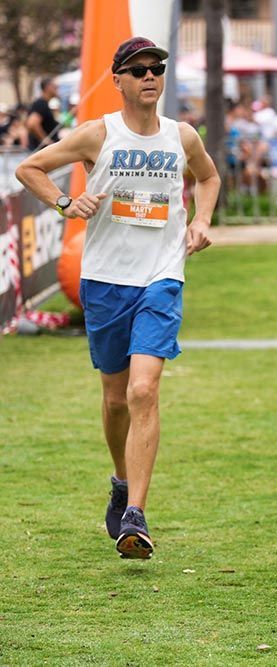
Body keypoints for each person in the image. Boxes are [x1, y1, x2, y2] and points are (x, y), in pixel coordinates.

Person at [15, 37, 220, 558]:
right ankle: (121, 481)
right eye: (139, 70)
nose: (150, 77)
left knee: (143, 391)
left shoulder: (182, 135)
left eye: (157, 69)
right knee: (114, 398)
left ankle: (137, 515)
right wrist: (66, 200)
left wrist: (201, 220)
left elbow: (210, 176)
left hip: (162, 277)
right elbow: (29, 169)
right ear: (120, 80)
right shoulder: (97, 133)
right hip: (105, 279)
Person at [26, 78, 61, 151]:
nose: (57, 88)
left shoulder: (44, 104)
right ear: (48, 87)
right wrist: (45, 139)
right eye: (55, 86)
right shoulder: (41, 104)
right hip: (41, 151)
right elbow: (32, 123)